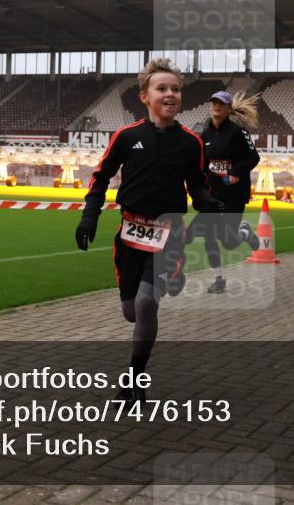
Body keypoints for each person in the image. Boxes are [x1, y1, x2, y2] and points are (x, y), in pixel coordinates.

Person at [75, 58, 223, 402]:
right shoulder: (126, 137)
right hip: (130, 234)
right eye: (162, 88)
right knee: (131, 310)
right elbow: (100, 178)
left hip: (169, 235)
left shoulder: (191, 143)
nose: (170, 94)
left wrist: (208, 202)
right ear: (145, 96)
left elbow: (196, 185)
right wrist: (89, 216)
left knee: (145, 303)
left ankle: (134, 381)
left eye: (175, 89)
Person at [187, 90, 262, 294]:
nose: (216, 106)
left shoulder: (238, 132)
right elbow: (201, 163)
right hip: (212, 195)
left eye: (221, 103)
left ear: (228, 108)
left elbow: (253, 158)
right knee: (201, 236)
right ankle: (218, 279)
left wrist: (236, 172)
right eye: (213, 103)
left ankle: (244, 232)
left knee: (228, 242)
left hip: (234, 194)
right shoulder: (205, 133)